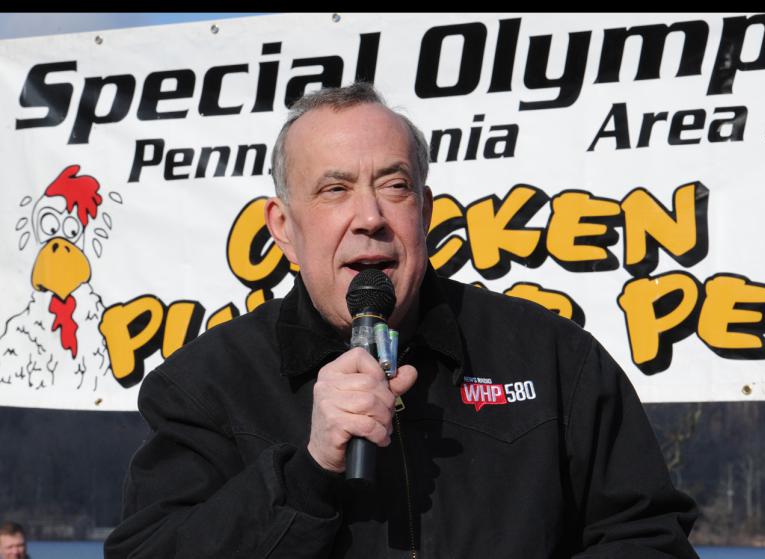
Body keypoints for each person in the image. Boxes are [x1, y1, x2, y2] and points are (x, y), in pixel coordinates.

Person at [105, 82, 699, 558]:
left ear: (426, 211)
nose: (370, 216)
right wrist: (309, 472)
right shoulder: (205, 387)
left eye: (394, 186)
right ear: (284, 229)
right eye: (334, 189)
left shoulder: (551, 356)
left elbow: (648, 535)